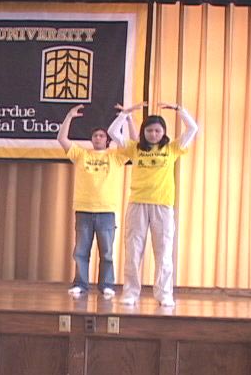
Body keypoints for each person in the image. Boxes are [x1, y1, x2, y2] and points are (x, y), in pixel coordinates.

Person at [108, 102, 198, 307]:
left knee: (164, 251)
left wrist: (179, 110)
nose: (153, 134)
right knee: (133, 251)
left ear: (164, 132)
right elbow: (113, 132)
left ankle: (164, 293)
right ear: (143, 132)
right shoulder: (135, 148)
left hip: (163, 205)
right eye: (149, 130)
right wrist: (125, 114)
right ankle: (131, 293)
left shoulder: (172, 148)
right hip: (137, 204)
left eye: (157, 130)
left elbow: (192, 128)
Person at [57, 104, 135, 298]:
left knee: (106, 253)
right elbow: (62, 139)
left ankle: (107, 285)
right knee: (81, 252)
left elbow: (134, 145)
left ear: (108, 139)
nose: (98, 138)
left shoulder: (115, 156)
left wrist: (129, 119)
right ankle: (80, 284)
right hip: (84, 209)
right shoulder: (81, 155)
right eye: (95, 136)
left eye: (101, 136)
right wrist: (69, 116)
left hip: (106, 210)